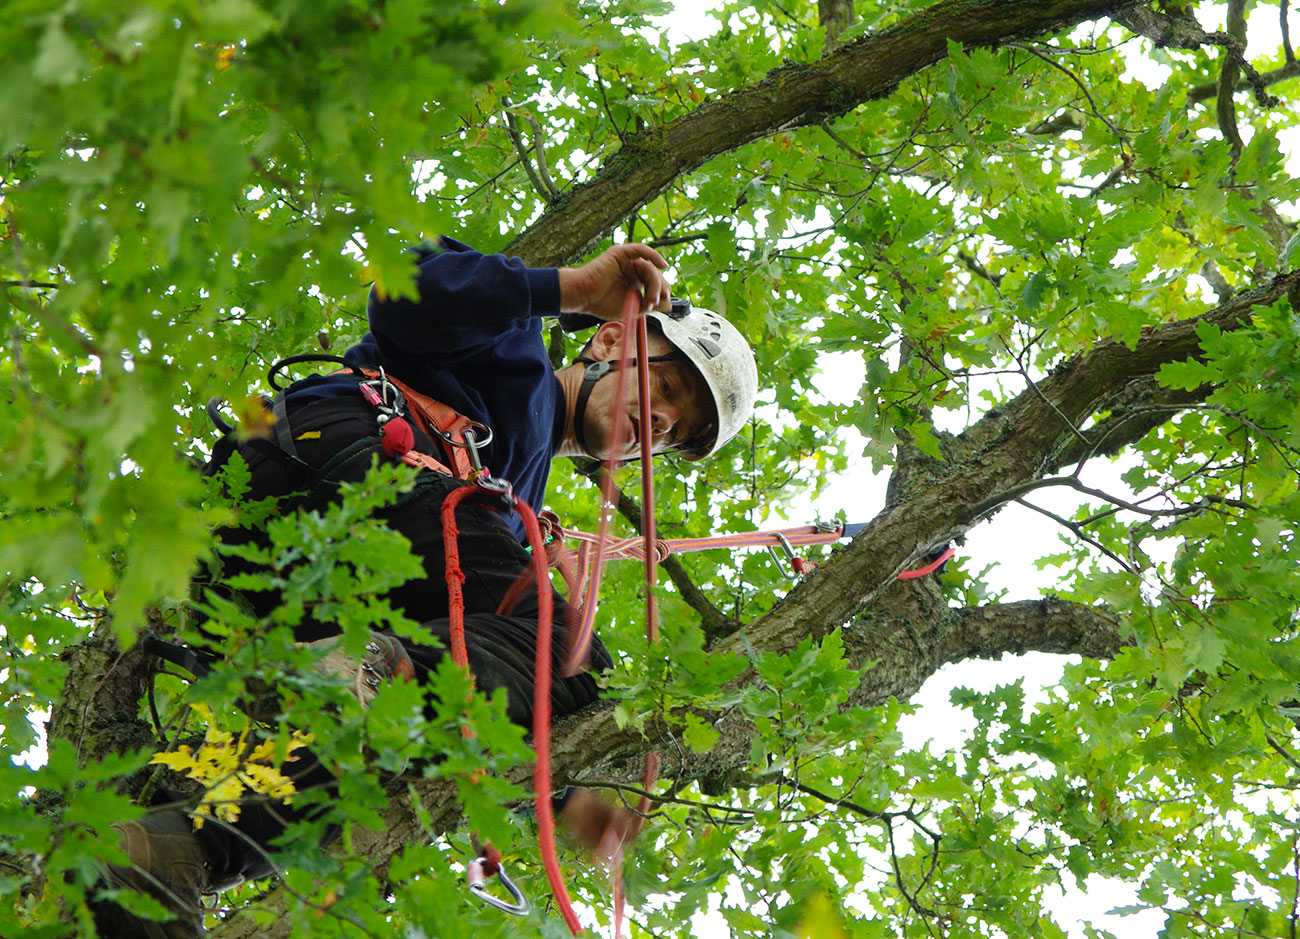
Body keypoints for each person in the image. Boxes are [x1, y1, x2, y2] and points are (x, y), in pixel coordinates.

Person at [92, 238, 759, 937]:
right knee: (573, 648)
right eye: (671, 389)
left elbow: (490, 687)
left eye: (676, 432)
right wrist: (568, 287)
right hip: (341, 458)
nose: (659, 423)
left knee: (388, 760)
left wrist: (561, 796)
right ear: (614, 338)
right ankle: (371, 675)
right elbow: (402, 290)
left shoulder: (519, 493)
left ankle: (175, 848)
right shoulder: (516, 353)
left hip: (276, 586)